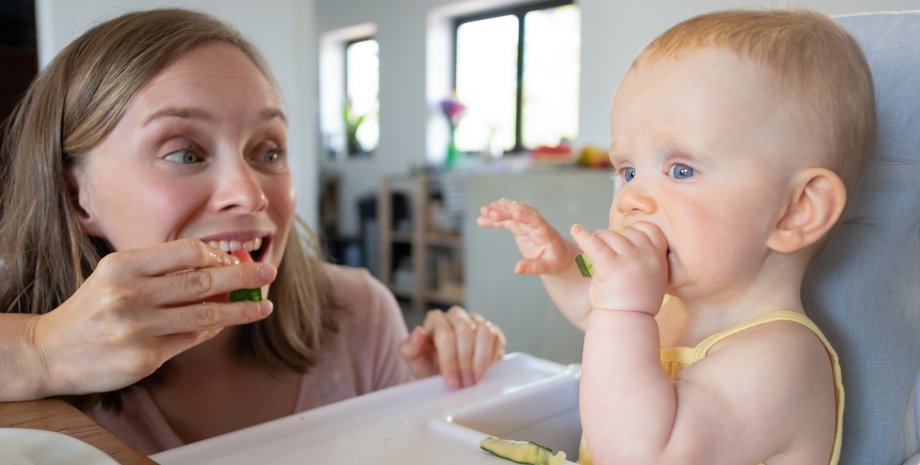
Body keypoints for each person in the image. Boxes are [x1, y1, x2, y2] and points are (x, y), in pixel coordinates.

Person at [0, 8, 505, 454]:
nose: (250, 193)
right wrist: (43, 352)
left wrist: (428, 401)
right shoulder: (23, 325)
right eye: (184, 153)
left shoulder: (360, 315)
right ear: (76, 197)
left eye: (268, 151)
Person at [478, 9, 874, 465]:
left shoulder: (781, 361)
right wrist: (564, 266)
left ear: (796, 211)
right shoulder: (667, 307)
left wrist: (622, 307)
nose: (630, 199)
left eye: (681, 170)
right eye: (627, 170)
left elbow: (641, 455)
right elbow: (594, 318)